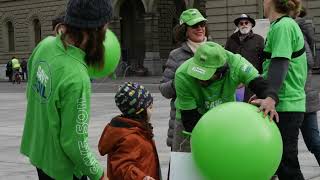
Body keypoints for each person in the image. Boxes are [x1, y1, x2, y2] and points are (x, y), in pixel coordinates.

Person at [20, 0, 113, 179]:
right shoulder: (76, 76)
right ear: (92, 31)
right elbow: (74, 143)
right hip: (62, 169)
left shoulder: (45, 45)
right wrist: (99, 174)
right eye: (105, 30)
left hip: (40, 153)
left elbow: (31, 92)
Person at [173, 41, 279, 153]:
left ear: (221, 72)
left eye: (206, 76)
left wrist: (270, 98)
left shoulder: (237, 64)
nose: (200, 79)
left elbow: (261, 85)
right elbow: (190, 120)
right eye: (197, 74)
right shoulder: (183, 74)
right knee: (186, 158)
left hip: (225, 118)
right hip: (191, 119)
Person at [262, 0, 307, 179]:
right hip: (284, 104)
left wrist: (271, 97)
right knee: (280, 164)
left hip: (286, 105)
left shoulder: (284, 26)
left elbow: (280, 63)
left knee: (287, 166)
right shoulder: (280, 26)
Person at [159, 8, 208, 149]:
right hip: (183, 123)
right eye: (194, 25)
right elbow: (164, 90)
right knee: (181, 168)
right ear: (184, 30)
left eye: (202, 24)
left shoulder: (216, 51)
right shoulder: (176, 55)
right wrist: (180, 82)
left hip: (210, 118)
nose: (200, 28)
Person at [98, 82, 160, 180]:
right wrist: (142, 178)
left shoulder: (138, 130)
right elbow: (122, 167)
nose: (153, 110)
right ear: (139, 112)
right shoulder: (130, 137)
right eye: (150, 107)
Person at [294, 7, 320, 166]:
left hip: (300, 97)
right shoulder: (302, 31)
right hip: (303, 96)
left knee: (313, 142)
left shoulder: (296, 33)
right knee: (313, 141)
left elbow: (307, 62)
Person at [225, 14, 265, 102]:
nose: (244, 25)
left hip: (252, 78)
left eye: (246, 23)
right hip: (235, 80)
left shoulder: (259, 40)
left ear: (251, 25)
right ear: (238, 26)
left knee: (250, 104)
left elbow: (263, 59)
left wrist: (261, 76)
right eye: (241, 23)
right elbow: (226, 57)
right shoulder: (231, 39)